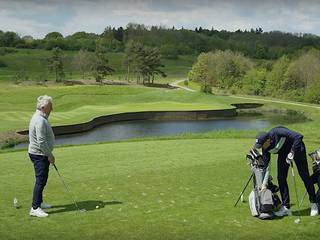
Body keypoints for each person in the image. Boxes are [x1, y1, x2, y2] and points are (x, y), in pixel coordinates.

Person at [252, 126, 319, 217]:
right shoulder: (266, 149)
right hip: (283, 154)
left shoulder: (278, 132)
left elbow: (298, 136)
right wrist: (264, 184)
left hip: (297, 149)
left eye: (262, 145)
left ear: (267, 141)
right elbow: (266, 166)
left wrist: (292, 152)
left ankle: (313, 203)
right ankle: (286, 207)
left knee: (304, 176)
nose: (262, 148)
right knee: (281, 178)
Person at [28, 95, 55, 217]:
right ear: (43, 108)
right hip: (39, 154)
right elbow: (41, 141)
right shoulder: (39, 120)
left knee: (42, 180)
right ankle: (35, 208)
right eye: (50, 107)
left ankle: (39, 201)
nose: (52, 109)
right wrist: (50, 155)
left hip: (40, 153)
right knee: (40, 180)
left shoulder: (41, 117)